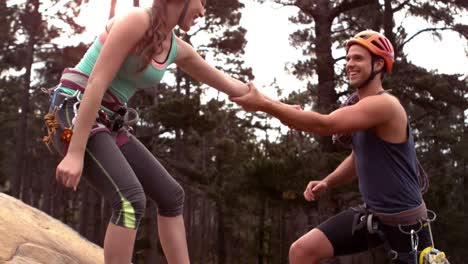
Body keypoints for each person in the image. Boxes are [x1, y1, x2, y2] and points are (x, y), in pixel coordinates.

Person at [42, 0, 249, 263]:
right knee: (130, 201)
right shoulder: (137, 20)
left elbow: (232, 86)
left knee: (171, 195)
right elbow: (97, 81)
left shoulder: (176, 48)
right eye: (202, 2)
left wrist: (280, 108)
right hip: (75, 109)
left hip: (109, 119)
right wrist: (75, 152)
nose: (204, 11)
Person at [231, 30, 435, 264]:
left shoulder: (385, 105)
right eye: (348, 58)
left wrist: (264, 104)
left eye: (358, 58)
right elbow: (359, 156)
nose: (349, 64)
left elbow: (323, 124)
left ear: (378, 64)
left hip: (407, 227)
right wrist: (328, 182)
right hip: (374, 216)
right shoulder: (362, 107)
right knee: (302, 251)